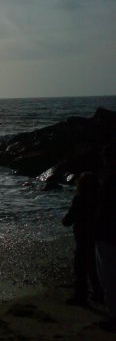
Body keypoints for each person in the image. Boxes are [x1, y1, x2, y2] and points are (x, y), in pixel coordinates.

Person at [62, 172, 103, 306]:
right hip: (97, 237)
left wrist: (66, 220)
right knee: (94, 268)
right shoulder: (101, 199)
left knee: (80, 268)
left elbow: (68, 220)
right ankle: (99, 294)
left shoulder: (79, 199)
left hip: (82, 237)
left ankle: (81, 295)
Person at [94, 142, 116, 332]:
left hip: (107, 236)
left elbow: (103, 210)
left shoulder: (109, 182)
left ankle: (113, 317)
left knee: (109, 278)